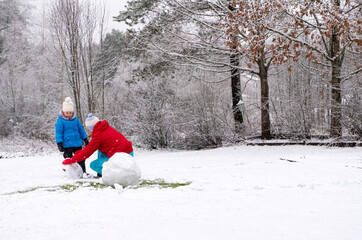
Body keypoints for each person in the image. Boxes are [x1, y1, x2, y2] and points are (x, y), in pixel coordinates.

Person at [62, 113, 134, 177]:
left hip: (121, 159)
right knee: (101, 150)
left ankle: (116, 175)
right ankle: (111, 171)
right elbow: (90, 147)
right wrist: (80, 153)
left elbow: (87, 152)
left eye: (90, 129)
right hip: (129, 153)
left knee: (94, 165)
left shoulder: (98, 136)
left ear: (92, 127)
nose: (90, 131)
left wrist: (72, 159)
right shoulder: (105, 128)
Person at [55, 97, 89, 174]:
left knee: (81, 158)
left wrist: (85, 139)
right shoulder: (60, 121)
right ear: (63, 111)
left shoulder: (75, 119)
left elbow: (81, 129)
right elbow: (58, 132)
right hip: (67, 144)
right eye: (67, 113)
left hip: (77, 143)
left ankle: (83, 172)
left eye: (70, 113)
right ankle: (71, 173)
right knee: (68, 159)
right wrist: (59, 143)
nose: (69, 115)